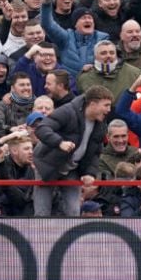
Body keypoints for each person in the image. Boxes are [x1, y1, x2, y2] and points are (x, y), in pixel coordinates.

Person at [32, 85, 114, 216]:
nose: (109, 110)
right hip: (47, 165)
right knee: (42, 213)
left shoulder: (101, 124)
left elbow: (96, 153)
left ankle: (70, 236)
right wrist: (59, 143)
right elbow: (42, 128)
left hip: (72, 168)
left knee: (73, 212)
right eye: (106, 105)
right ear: (93, 104)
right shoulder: (68, 111)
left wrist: (90, 173)